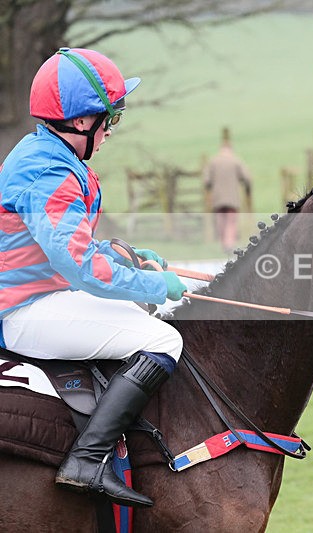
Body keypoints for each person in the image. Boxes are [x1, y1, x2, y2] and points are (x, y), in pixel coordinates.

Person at [0, 48, 187, 508]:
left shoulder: (50, 155)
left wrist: (126, 257)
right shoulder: (49, 171)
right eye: (110, 119)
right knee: (164, 340)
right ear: (82, 121)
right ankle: (86, 461)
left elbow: (68, 248)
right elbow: (79, 268)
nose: (110, 131)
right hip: (24, 310)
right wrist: (155, 286)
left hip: (38, 294)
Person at [203, 127, 252, 254]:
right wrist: (246, 187)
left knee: (220, 220)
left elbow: (206, 180)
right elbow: (247, 177)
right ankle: (229, 244)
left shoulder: (213, 161)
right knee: (231, 221)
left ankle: (223, 244)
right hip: (232, 198)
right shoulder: (236, 161)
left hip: (218, 198)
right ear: (231, 149)